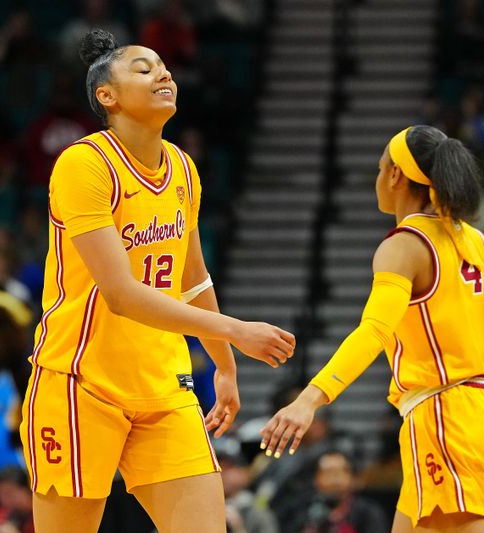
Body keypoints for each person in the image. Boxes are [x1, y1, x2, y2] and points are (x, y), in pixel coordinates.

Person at [19, 30, 295, 533]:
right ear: (108, 96)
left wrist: (224, 364)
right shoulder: (84, 164)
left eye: (164, 67)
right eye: (144, 69)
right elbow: (122, 295)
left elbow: (193, 279)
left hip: (164, 387)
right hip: (82, 384)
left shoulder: (184, 169)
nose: (163, 74)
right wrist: (236, 329)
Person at [260, 125, 484, 532]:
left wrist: (309, 399)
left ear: (395, 175)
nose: (378, 178)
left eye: (380, 169)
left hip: (443, 415)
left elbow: (373, 331)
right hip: (483, 414)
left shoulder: (404, 246)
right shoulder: (478, 243)